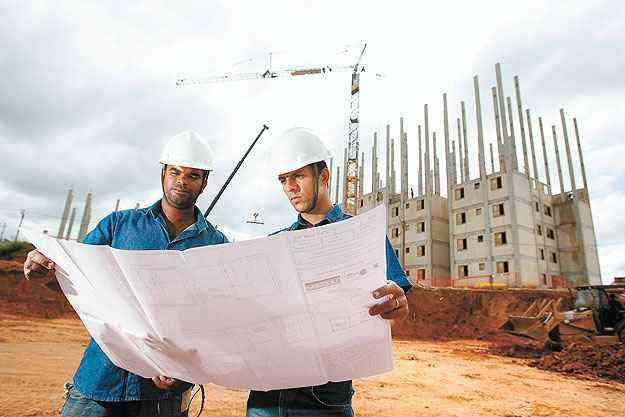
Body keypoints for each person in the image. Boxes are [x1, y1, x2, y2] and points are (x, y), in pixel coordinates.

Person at [23, 131, 228, 417]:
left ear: (205, 183)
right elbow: (75, 278)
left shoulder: (216, 246)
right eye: (175, 171)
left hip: (163, 395)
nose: (182, 181)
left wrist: (185, 370)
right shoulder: (118, 226)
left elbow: (216, 320)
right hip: (99, 382)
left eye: (194, 175)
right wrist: (45, 272)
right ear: (163, 173)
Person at [246, 128, 412, 417]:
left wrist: (398, 308)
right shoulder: (274, 245)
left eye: (298, 176)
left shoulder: (362, 235)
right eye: (284, 180)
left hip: (324, 400)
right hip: (266, 399)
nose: (290, 188)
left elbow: (395, 308)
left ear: (324, 176)